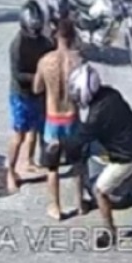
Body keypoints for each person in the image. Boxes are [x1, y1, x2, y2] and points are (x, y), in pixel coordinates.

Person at [68, 62, 132, 247]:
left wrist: (64, 146)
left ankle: (109, 232)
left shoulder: (96, 116)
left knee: (100, 191)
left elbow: (81, 137)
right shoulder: (111, 93)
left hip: (127, 154)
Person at [33, 18, 85, 220]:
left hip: (53, 121)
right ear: (73, 36)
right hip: (73, 118)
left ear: (55, 35)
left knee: (52, 167)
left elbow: (37, 88)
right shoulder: (79, 61)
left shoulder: (45, 61)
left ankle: (55, 207)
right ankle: (80, 203)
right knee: (78, 163)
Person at [6, 0, 53, 193]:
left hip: (39, 93)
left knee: (35, 131)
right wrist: (39, 77)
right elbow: (17, 74)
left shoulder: (44, 42)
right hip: (21, 95)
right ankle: (10, 171)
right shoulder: (17, 46)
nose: (35, 32)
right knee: (19, 135)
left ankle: (29, 161)